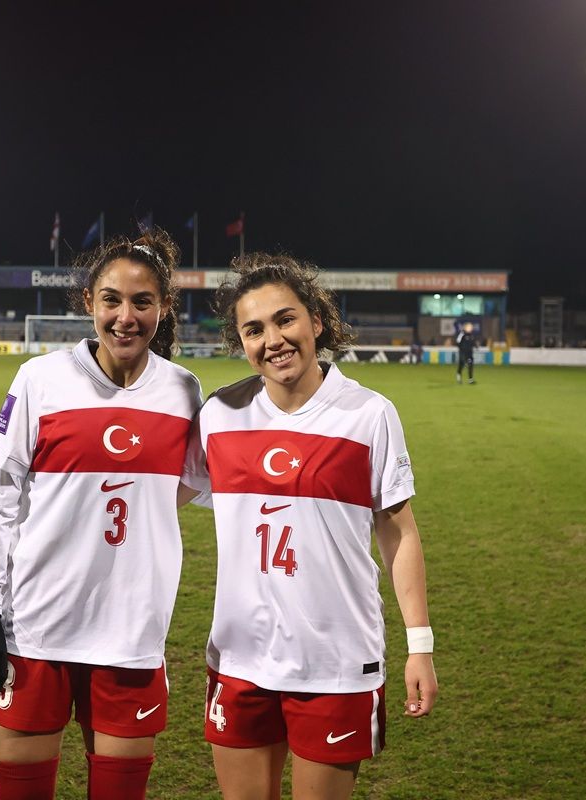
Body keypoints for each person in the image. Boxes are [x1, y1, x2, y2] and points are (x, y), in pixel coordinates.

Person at [180, 254, 437, 800]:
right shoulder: (221, 415)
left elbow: (399, 531)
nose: (273, 339)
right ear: (241, 343)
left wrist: (420, 645)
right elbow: (160, 500)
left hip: (335, 662)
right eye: (254, 329)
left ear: (316, 321)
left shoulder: (368, 415)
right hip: (239, 658)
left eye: (285, 319)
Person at [0, 230, 202, 800]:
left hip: (131, 633)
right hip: (34, 628)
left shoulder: (183, 391)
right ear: (89, 302)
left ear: (162, 308)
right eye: (111, 300)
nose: (126, 316)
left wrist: (140, 508)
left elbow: (197, 481)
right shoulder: (40, 380)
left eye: (142, 302)